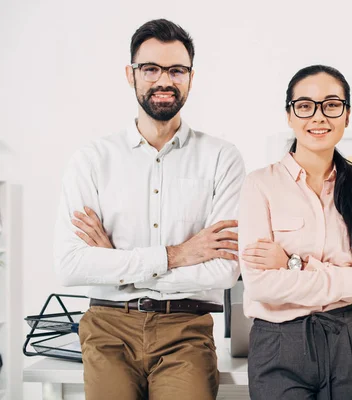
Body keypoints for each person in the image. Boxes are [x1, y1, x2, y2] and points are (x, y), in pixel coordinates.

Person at [53, 19, 245, 400]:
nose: (164, 80)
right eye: (151, 69)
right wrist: (177, 255)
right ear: (131, 74)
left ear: (191, 77)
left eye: (176, 70)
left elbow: (224, 270)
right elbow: (70, 266)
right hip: (107, 326)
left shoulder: (221, 158)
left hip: (185, 329)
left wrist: (116, 265)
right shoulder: (91, 160)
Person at [238, 65, 352, 400]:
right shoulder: (260, 185)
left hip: (350, 343)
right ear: (289, 116)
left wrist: (293, 264)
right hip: (278, 344)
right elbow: (261, 285)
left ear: (346, 116)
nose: (318, 117)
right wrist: (349, 279)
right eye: (305, 106)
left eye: (332, 105)